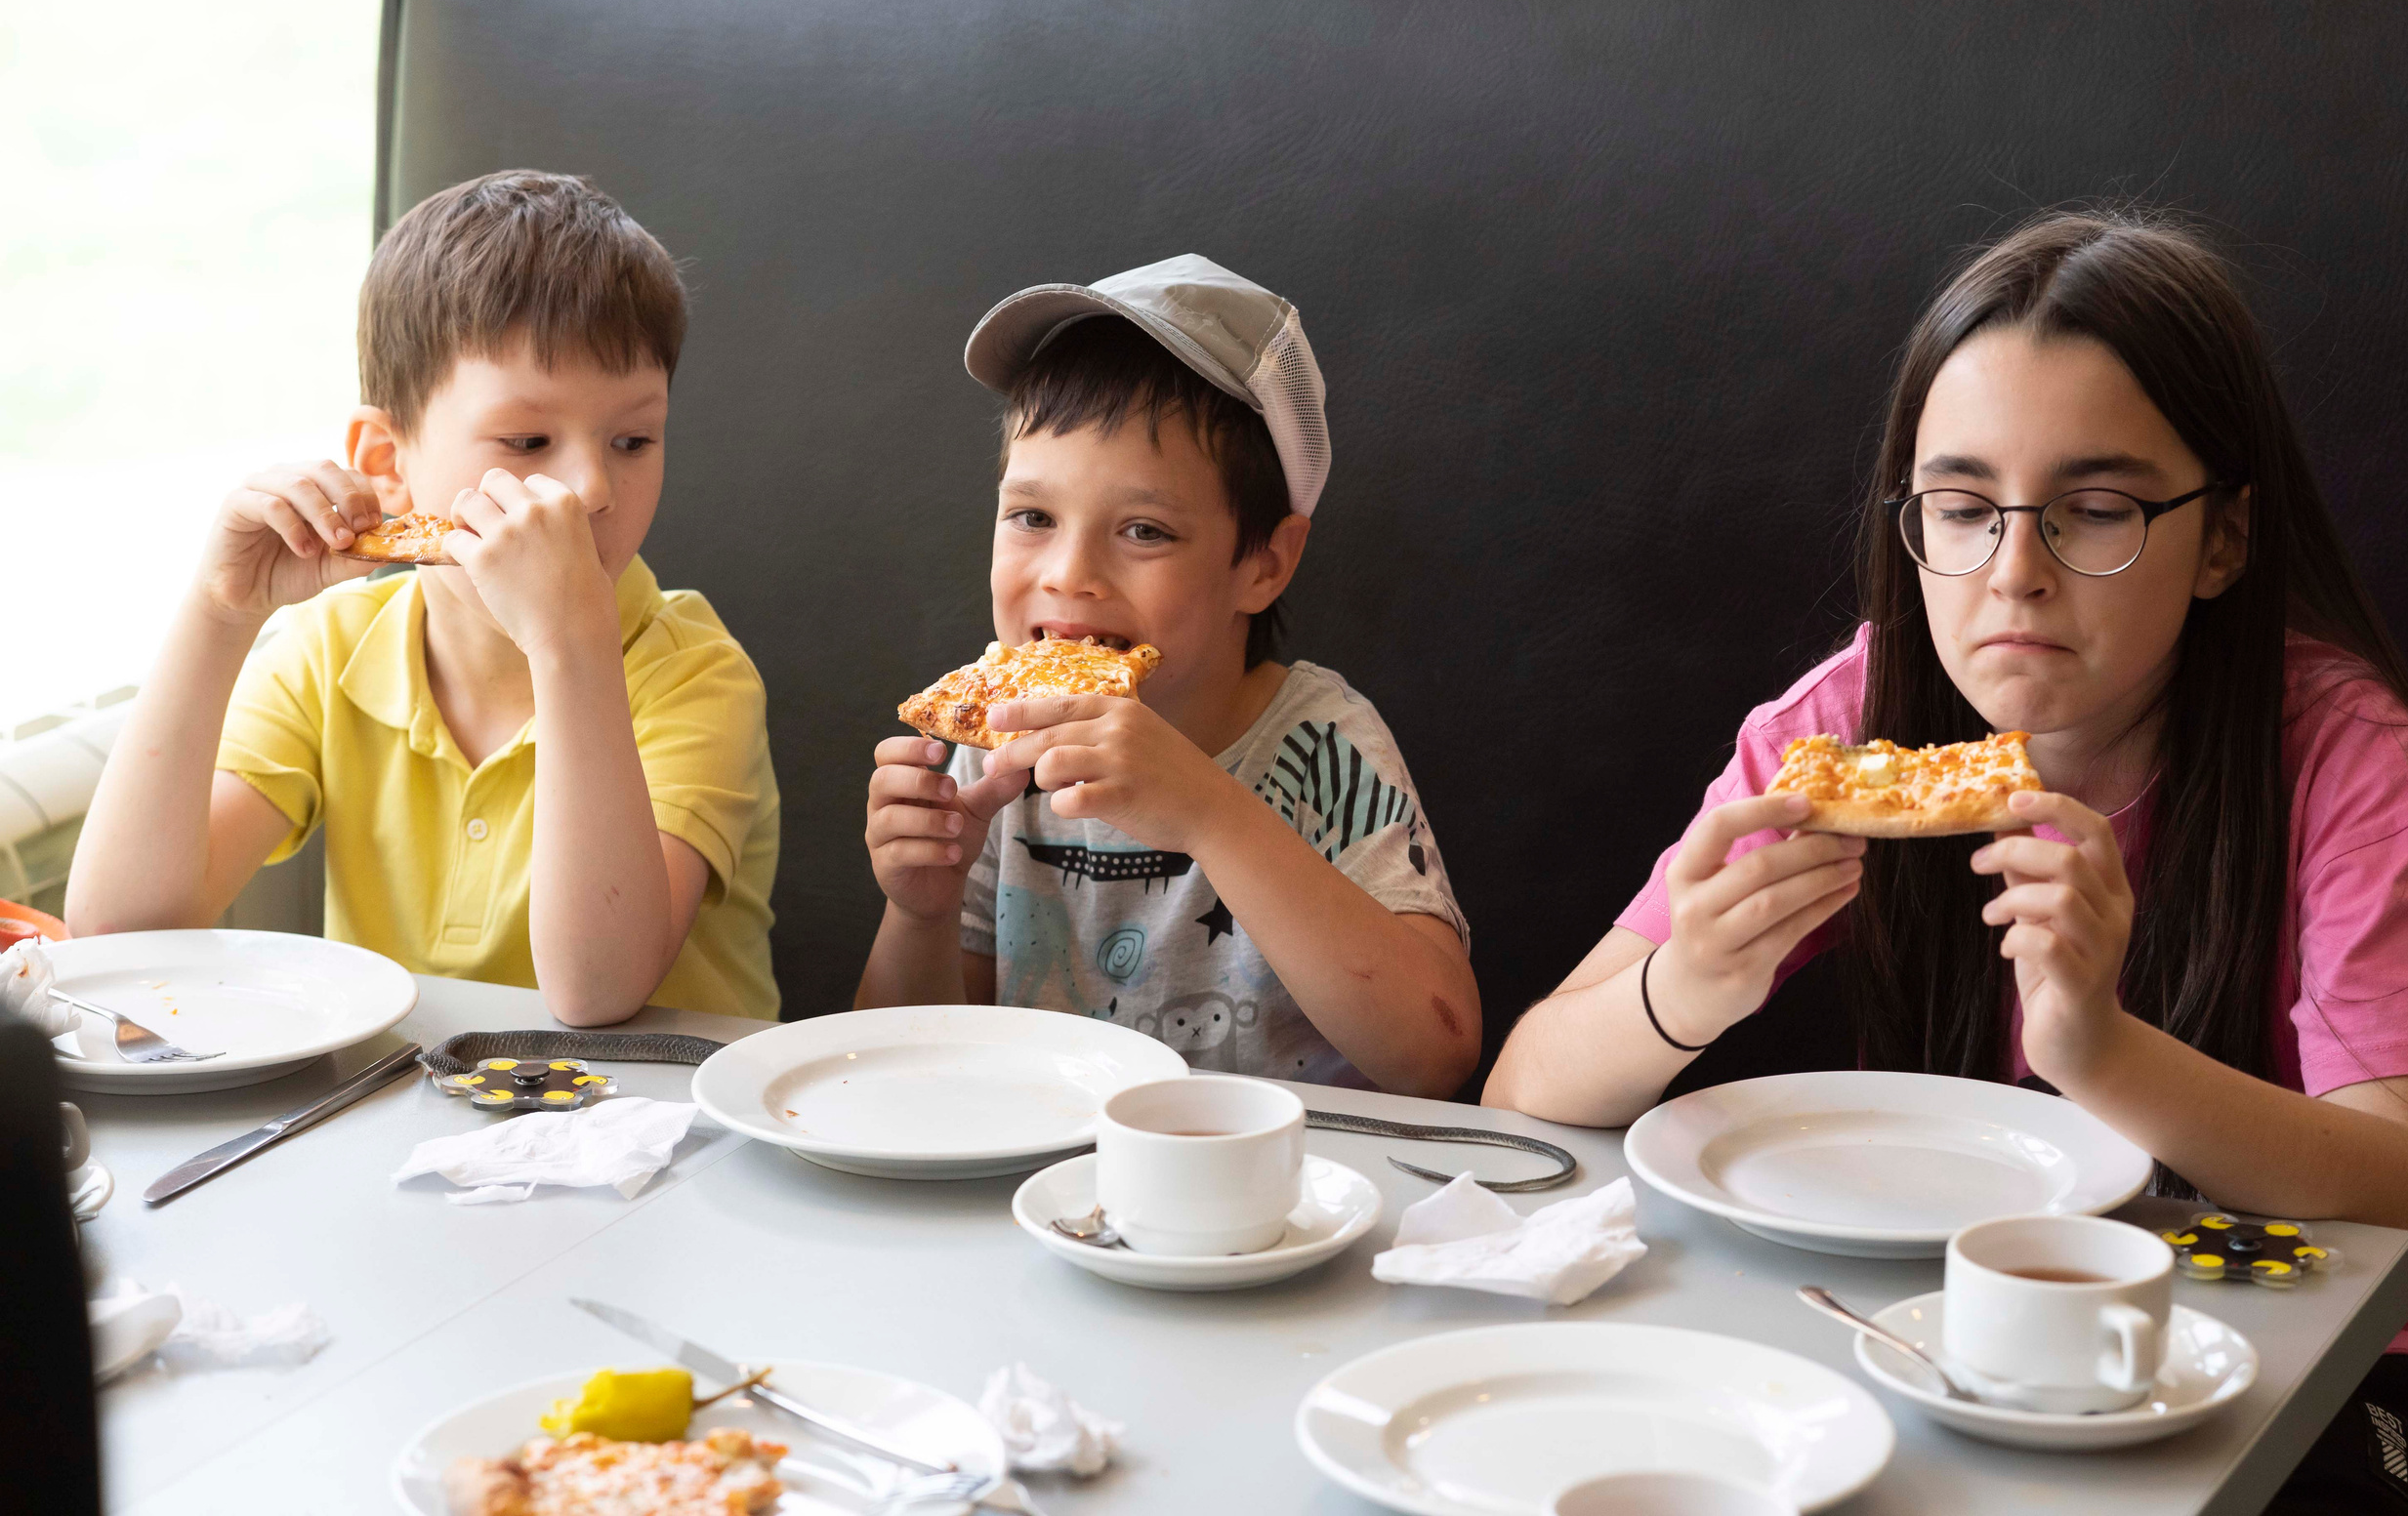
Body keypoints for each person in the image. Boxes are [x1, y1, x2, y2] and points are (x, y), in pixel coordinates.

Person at [1482, 212, 2408, 1509]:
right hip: (1963, 1332)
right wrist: (1683, 988)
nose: (2014, 573)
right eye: (1962, 510)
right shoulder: (1849, 728)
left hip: (2332, 1367)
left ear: (2224, 539)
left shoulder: (2346, 760)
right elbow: (1523, 1090)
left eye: (2097, 509)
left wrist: (2100, 1050)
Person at [65, 171, 778, 1025]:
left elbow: (598, 988)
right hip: (407, 1099)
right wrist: (221, 614)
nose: (591, 487)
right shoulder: (333, 650)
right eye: (529, 440)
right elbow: (119, 931)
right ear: (387, 463)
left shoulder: (696, 673)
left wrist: (569, 645)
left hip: (654, 1099)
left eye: (633, 440)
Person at [856, 255, 1476, 1096]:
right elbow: (906, 1082)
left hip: (1283, 1170)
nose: (1069, 574)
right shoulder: (996, 753)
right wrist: (920, 911)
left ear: (1264, 563)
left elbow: (1437, 1055)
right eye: (1033, 516)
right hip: (1052, 1166)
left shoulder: (1323, 748)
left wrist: (1209, 812)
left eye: (1144, 530)